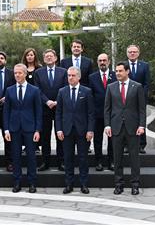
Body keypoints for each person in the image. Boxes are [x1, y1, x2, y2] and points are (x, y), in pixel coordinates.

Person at [104, 61, 146, 195]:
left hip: (133, 128)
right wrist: (107, 125)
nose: (118, 73)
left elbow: (141, 109)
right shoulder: (111, 87)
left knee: (134, 158)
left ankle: (135, 185)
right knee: (117, 158)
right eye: (116, 71)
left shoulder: (137, 86)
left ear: (127, 71)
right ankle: (118, 184)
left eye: (120, 71)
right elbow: (107, 109)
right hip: (116, 128)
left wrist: (141, 125)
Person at [4, 64, 42, 193]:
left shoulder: (34, 90)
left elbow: (38, 111)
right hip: (14, 128)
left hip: (30, 128)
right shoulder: (9, 90)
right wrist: (6, 129)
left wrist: (37, 130)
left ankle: (32, 183)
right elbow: (6, 111)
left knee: (31, 156)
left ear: (25, 74)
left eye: (20, 73)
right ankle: (17, 182)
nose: (17, 75)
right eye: (15, 73)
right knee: (16, 156)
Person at [56, 66, 95, 194]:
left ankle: (84, 184)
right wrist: (59, 129)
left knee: (83, 158)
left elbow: (90, 113)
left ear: (79, 77)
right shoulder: (62, 91)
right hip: (67, 130)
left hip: (82, 131)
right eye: (68, 75)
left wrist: (90, 130)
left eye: (73, 75)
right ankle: (69, 184)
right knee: (68, 158)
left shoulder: (87, 91)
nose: (70, 78)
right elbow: (59, 113)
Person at [34, 49, 67, 171]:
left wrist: (57, 101)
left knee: (60, 135)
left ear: (55, 58)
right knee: (45, 136)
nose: (48, 58)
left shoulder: (63, 72)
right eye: (46, 56)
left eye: (51, 56)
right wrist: (47, 101)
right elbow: (37, 89)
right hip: (44, 108)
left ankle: (61, 162)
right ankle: (45, 162)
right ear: (43, 59)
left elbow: (65, 87)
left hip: (60, 107)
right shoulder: (38, 73)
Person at [88, 53, 116, 171]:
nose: (102, 62)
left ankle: (112, 161)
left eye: (104, 60)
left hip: (113, 114)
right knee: (98, 139)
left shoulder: (115, 76)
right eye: (100, 61)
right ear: (97, 62)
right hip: (98, 113)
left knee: (112, 139)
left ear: (109, 62)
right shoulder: (92, 77)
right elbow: (90, 96)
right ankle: (98, 161)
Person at [126, 44, 150, 154]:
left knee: (141, 120)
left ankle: (141, 145)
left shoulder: (145, 66)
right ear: (127, 53)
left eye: (134, 52)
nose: (132, 53)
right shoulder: (123, 65)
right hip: (125, 99)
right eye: (130, 52)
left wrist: (141, 96)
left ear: (138, 53)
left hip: (140, 99)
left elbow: (146, 83)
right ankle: (126, 145)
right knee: (126, 121)